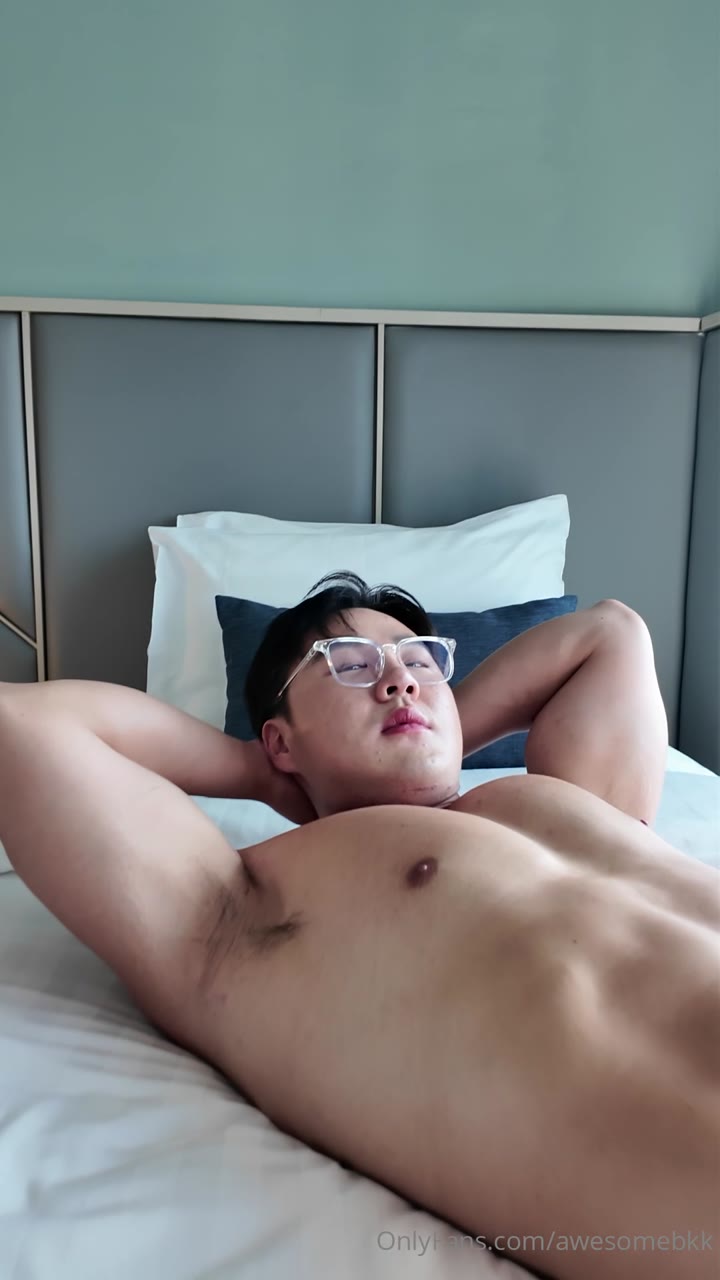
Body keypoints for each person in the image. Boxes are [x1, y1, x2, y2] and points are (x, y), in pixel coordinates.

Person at [0, 571, 717, 1280]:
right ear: (280, 741)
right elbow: (21, 724)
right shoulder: (241, 907)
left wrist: (429, 727)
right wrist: (260, 770)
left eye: (420, 660)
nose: (398, 679)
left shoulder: (568, 799)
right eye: (349, 665)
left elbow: (610, 633)